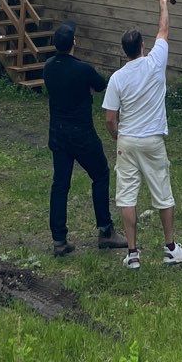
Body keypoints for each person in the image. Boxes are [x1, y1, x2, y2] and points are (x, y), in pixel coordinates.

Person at [102, 0, 182, 270]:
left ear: (125, 51)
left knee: (127, 196)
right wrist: (162, 2)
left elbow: (109, 117)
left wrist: (117, 136)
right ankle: (170, 249)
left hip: (127, 141)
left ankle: (132, 254)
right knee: (162, 193)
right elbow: (163, 31)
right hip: (152, 140)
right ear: (143, 46)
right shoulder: (155, 63)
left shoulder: (117, 78)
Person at [42, 21, 125, 257]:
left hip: (58, 133)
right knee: (100, 174)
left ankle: (59, 239)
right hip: (81, 133)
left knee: (60, 184)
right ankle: (105, 231)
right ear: (74, 44)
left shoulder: (48, 67)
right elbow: (100, 85)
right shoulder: (83, 69)